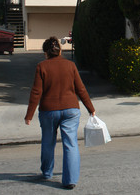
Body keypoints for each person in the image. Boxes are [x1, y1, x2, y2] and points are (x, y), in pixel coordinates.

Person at [25, 36, 95, 190]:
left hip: (48, 111)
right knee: (70, 143)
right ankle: (70, 180)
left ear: (45, 52)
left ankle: (47, 172)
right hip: (71, 109)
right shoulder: (70, 65)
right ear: (60, 50)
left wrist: (29, 115)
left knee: (48, 142)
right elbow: (80, 89)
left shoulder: (41, 67)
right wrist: (90, 108)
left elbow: (36, 92)